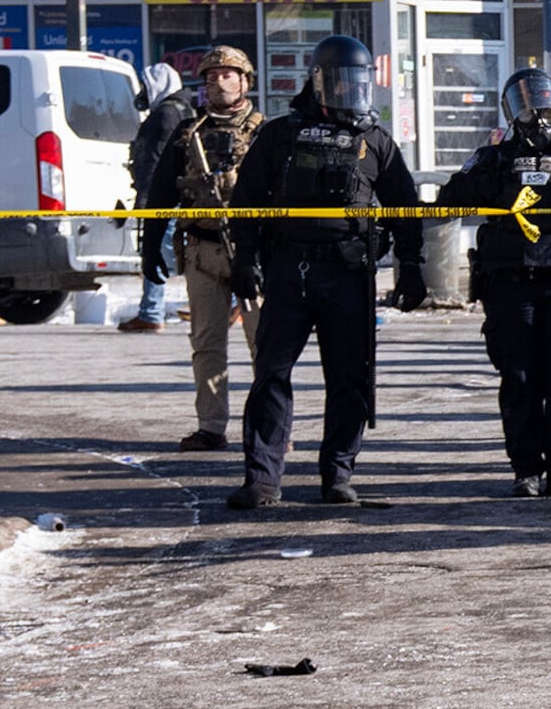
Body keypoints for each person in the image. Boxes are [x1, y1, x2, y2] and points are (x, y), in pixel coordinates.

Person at [223, 33, 425, 510]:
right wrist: (244, 259)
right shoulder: (280, 134)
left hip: (348, 271)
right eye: (339, 82)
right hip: (288, 269)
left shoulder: (374, 140)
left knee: (350, 377)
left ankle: (337, 473)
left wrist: (412, 267)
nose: (348, 92)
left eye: (357, 83)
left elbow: (406, 206)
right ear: (317, 82)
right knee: (271, 373)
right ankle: (263, 479)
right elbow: (246, 201)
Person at [441, 69, 551, 497]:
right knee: (519, 376)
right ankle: (525, 467)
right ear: (511, 114)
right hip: (510, 280)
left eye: (544, 109)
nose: (537, 120)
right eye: (527, 110)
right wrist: (498, 171)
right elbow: (449, 200)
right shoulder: (493, 157)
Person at [142, 45, 261, 453]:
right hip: (202, 252)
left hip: (256, 256)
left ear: (246, 80)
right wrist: (150, 244)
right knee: (207, 345)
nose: (218, 81)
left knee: (266, 346)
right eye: (210, 75)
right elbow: (160, 191)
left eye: (228, 74)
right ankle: (211, 427)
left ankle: (269, 429)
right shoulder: (187, 134)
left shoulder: (267, 133)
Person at [123, 61, 191, 335]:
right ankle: (150, 310)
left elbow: (156, 159)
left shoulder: (166, 114)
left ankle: (151, 312)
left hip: (163, 195)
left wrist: (148, 194)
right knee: (168, 249)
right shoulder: (180, 109)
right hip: (174, 192)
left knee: (163, 251)